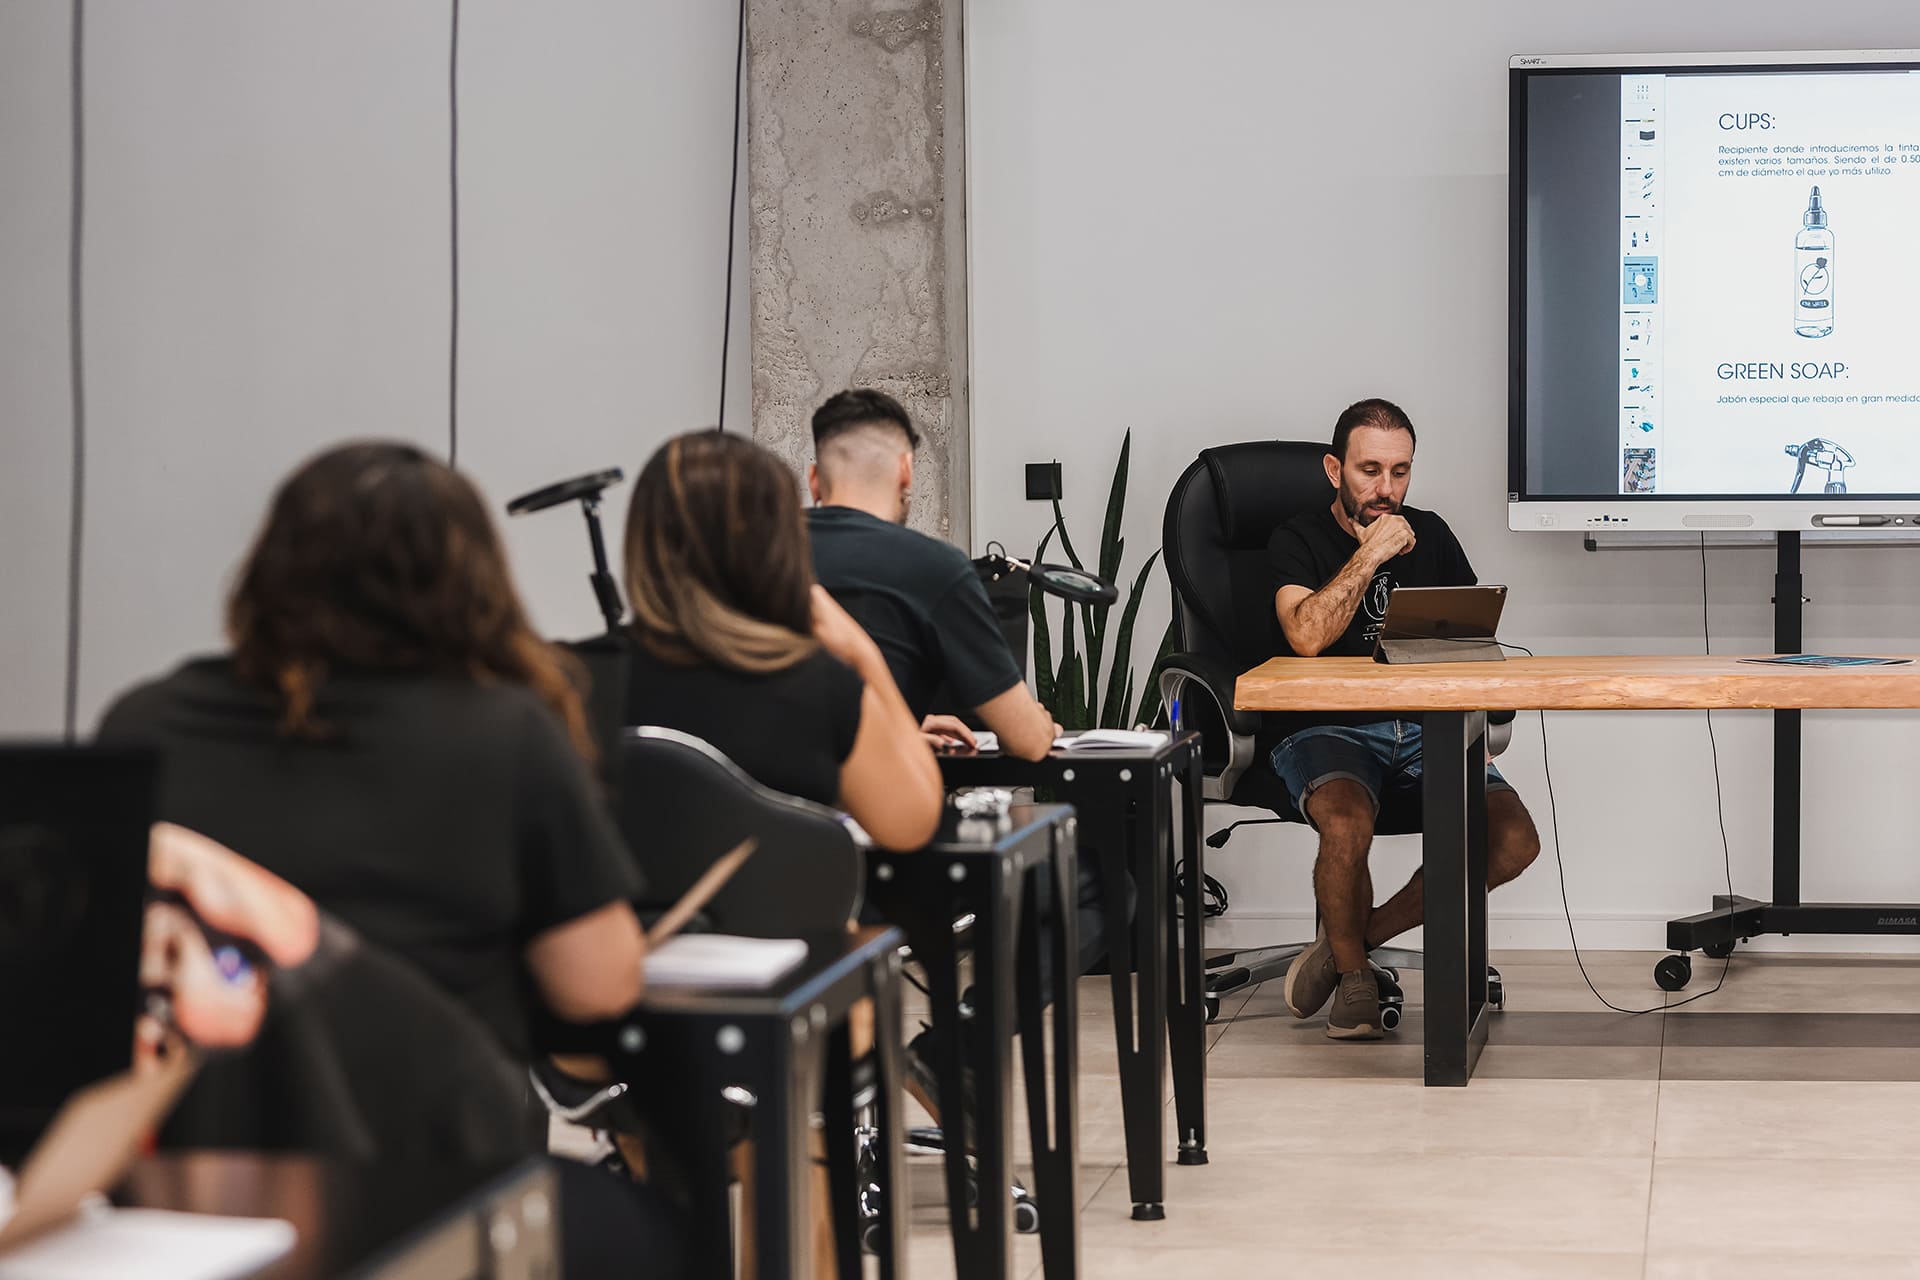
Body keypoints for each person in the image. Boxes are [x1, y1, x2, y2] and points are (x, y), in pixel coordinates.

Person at [98, 441, 648, 1063]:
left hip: (184, 1139)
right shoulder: (506, 735)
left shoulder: (144, 721)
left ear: (271, 567)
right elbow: (598, 988)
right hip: (430, 1143)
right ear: (472, 580)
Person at [1268, 398, 1541, 1040]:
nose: (1386, 490)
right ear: (1335, 470)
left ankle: (1352, 945)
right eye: (1369, 471)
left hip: (1427, 730)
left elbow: (1472, 643)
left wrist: (1478, 714)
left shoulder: (1434, 534)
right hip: (1325, 727)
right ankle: (1358, 981)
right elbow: (1306, 636)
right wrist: (1370, 555)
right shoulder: (1295, 540)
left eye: (1400, 472)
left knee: (1512, 839)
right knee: (1345, 822)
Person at [622, 428, 943, 852]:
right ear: (776, 547)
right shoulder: (818, 689)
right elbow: (913, 823)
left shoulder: (566, 682)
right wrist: (862, 654)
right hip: (779, 918)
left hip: (626, 919)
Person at [804, 388, 1060, 760]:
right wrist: (1039, 724)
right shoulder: (934, 567)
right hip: (865, 813)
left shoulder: (755, 555)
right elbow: (1027, 741)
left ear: (814, 479)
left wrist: (898, 725)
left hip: (735, 804)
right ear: (906, 470)